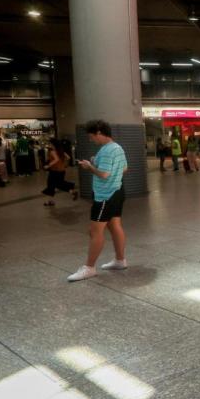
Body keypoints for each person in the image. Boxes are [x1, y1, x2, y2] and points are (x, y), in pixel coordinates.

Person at [67, 120, 128, 282]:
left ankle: (89, 268)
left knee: (95, 231)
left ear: (100, 133)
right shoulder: (117, 148)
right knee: (115, 226)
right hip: (117, 191)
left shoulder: (107, 150)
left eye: (92, 136)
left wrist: (90, 166)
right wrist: (97, 162)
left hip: (105, 195)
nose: (91, 139)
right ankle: (120, 260)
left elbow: (104, 174)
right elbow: (124, 168)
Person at [41, 139, 77, 206]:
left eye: (50, 143)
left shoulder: (52, 151)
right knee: (58, 184)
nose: (49, 145)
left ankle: (50, 201)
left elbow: (56, 159)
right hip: (62, 171)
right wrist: (65, 164)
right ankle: (72, 191)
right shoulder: (61, 151)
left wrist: (48, 166)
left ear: (53, 144)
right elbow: (68, 157)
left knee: (51, 185)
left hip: (54, 171)